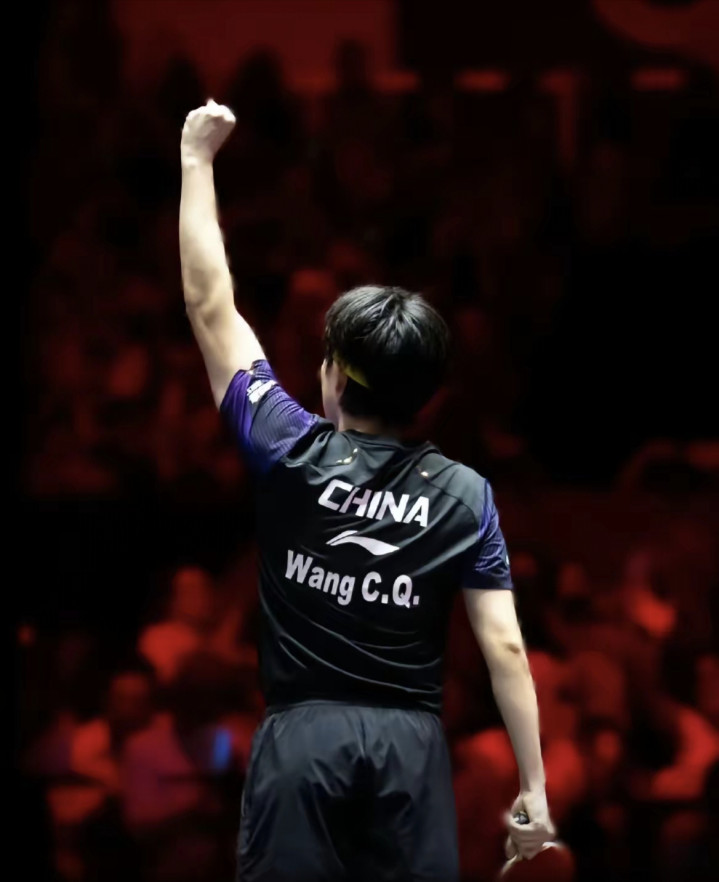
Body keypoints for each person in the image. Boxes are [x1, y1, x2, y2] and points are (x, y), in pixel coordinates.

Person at [179, 99, 555, 882]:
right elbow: (504, 647)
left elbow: (210, 305)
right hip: (409, 752)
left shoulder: (286, 447)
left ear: (331, 375)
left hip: (301, 742)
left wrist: (196, 161)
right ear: (427, 397)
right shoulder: (465, 494)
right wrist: (533, 787)